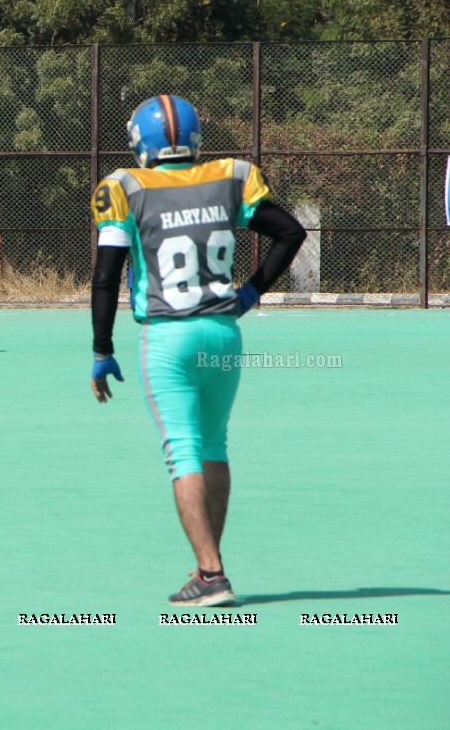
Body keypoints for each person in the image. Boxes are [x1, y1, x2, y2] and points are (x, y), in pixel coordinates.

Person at [89, 95, 305, 607]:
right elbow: (290, 232)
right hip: (225, 331)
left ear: (141, 142)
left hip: (169, 335)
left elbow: (105, 276)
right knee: (215, 446)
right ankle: (210, 564)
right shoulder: (230, 175)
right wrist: (250, 292)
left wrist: (101, 348)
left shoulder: (124, 185)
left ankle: (211, 574)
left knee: (182, 450)